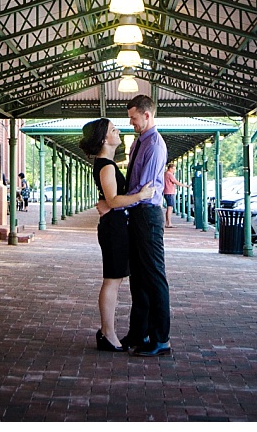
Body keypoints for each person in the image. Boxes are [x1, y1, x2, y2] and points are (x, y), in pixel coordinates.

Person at [82, 118, 154, 352]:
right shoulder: (106, 165)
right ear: (104, 139)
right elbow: (113, 199)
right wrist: (141, 196)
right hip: (113, 228)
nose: (119, 130)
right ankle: (107, 333)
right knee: (112, 280)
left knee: (115, 279)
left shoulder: (107, 164)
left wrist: (109, 203)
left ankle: (108, 331)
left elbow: (109, 200)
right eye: (114, 129)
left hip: (115, 225)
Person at [120, 94, 172, 357]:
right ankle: (138, 333)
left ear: (147, 115)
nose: (131, 123)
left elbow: (145, 187)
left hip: (148, 213)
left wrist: (118, 204)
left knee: (153, 275)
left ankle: (160, 338)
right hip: (137, 213)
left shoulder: (154, 145)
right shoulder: (139, 143)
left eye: (134, 118)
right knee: (138, 278)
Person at [163, 161, 179, 228]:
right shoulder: (169, 174)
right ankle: (169, 223)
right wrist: (185, 185)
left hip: (165, 192)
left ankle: (167, 222)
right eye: (174, 169)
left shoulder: (164, 174)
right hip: (170, 192)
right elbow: (175, 182)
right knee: (170, 208)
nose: (174, 170)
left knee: (168, 207)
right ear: (171, 168)